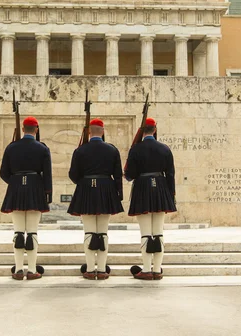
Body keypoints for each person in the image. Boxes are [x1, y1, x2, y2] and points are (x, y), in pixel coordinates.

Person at [68, 118, 124, 280]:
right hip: (106, 188)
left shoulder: (80, 151)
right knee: (103, 232)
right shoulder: (112, 150)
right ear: (103, 131)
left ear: (89, 132)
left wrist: (84, 183)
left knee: (89, 231)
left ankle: (90, 269)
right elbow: (118, 174)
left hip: (86, 188)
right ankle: (102, 269)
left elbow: (73, 174)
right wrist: (117, 194)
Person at [0, 117, 52, 280]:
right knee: (32, 232)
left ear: (23, 129)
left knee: (18, 231)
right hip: (35, 188)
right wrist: (46, 192)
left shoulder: (11, 147)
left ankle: (18, 270)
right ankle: (31, 270)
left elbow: (3, 172)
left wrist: (16, 182)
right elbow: (47, 174)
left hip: (16, 189)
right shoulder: (42, 148)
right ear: (36, 129)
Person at [124, 118, 176, 280]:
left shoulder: (136, 149)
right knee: (158, 232)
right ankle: (157, 269)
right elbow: (171, 174)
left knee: (146, 232)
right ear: (155, 129)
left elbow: (129, 176)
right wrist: (170, 194)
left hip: (142, 189)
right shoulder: (165, 149)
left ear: (142, 130)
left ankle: (147, 269)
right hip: (161, 188)